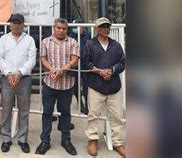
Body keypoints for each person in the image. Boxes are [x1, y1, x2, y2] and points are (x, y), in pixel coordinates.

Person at [35, 18, 79, 156]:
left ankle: (66, 140)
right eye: (58, 28)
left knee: (65, 113)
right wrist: (54, 70)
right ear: (54, 28)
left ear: (67, 29)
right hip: (50, 82)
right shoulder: (45, 41)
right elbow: (43, 59)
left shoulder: (73, 42)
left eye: (64, 28)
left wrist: (64, 69)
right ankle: (45, 141)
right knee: (47, 112)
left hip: (67, 84)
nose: (61, 30)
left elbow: (75, 59)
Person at [82, 17, 126, 157]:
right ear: (97, 29)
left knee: (117, 116)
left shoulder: (116, 45)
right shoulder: (90, 44)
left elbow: (122, 62)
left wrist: (111, 70)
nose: (105, 29)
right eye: (102, 27)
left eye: (107, 26)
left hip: (113, 86)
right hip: (96, 85)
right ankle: (93, 139)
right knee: (93, 115)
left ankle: (117, 142)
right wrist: (99, 71)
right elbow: (85, 62)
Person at [0, 14, 36, 153]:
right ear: (10, 24)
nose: (16, 25)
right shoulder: (3, 39)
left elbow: (32, 60)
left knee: (24, 111)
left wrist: (19, 73)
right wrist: (8, 73)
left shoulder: (29, 40)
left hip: (24, 79)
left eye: (19, 23)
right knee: (6, 110)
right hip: (6, 79)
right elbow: (0, 58)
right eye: (14, 23)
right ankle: (6, 139)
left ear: (23, 25)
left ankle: (22, 139)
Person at [69, 18, 91, 115]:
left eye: (78, 25)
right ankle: (80, 103)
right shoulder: (71, 37)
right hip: (74, 65)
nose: (76, 28)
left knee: (87, 86)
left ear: (83, 26)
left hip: (86, 65)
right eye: (74, 26)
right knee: (76, 86)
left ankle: (87, 104)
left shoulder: (88, 36)